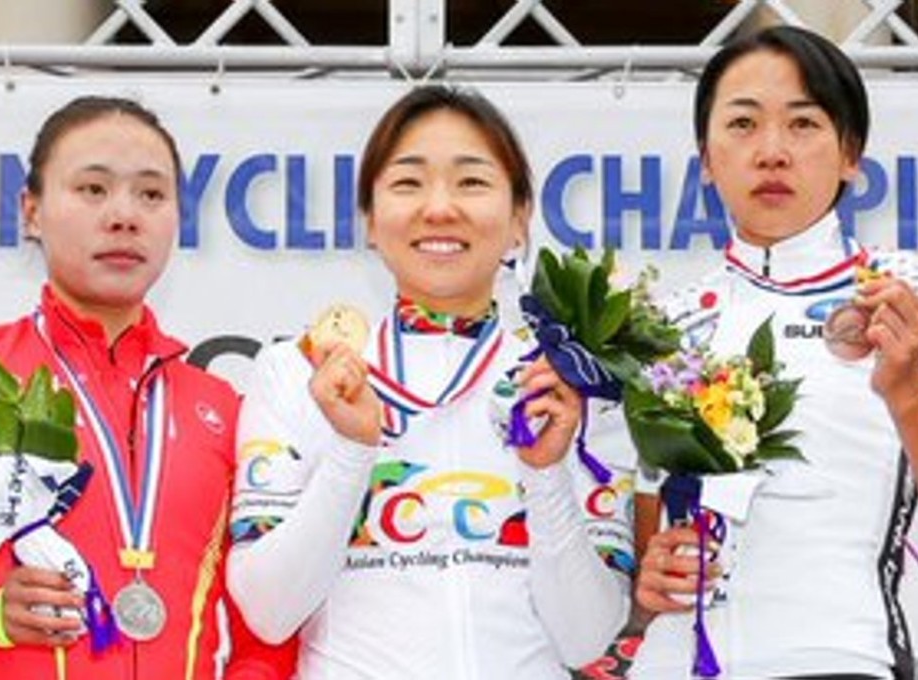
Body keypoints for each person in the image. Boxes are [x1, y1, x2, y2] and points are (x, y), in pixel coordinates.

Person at [225, 85, 631, 680]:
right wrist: (351, 453)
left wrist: (546, 476)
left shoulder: (571, 384)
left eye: (471, 182)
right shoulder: (299, 371)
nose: (439, 208)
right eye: (408, 183)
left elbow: (587, 636)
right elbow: (268, 612)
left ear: (520, 220)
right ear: (368, 220)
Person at [0, 96, 295, 679]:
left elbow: (270, 618)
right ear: (30, 212)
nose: (124, 216)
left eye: (151, 194)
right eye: (92, 189)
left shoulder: (220, 407)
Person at [631, 25, 918, 680]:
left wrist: (908, 394)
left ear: (852, 154)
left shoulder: (907, 297)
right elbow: (641, 555)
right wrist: (648, 582)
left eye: (803, 124)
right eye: (741, 123)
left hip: (840, 658)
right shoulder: (661, 327)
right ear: (705, 157)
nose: (771, 152)